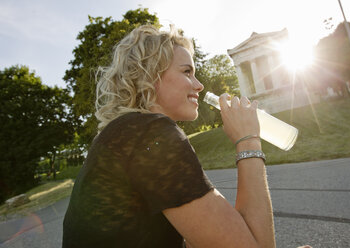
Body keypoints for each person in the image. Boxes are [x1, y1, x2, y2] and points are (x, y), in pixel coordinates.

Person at [62, 25, 309, 248]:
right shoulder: (149, 132)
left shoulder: (125, 134)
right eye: (187, 71)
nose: (199, 84)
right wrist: (248, 139)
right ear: (150, 76)